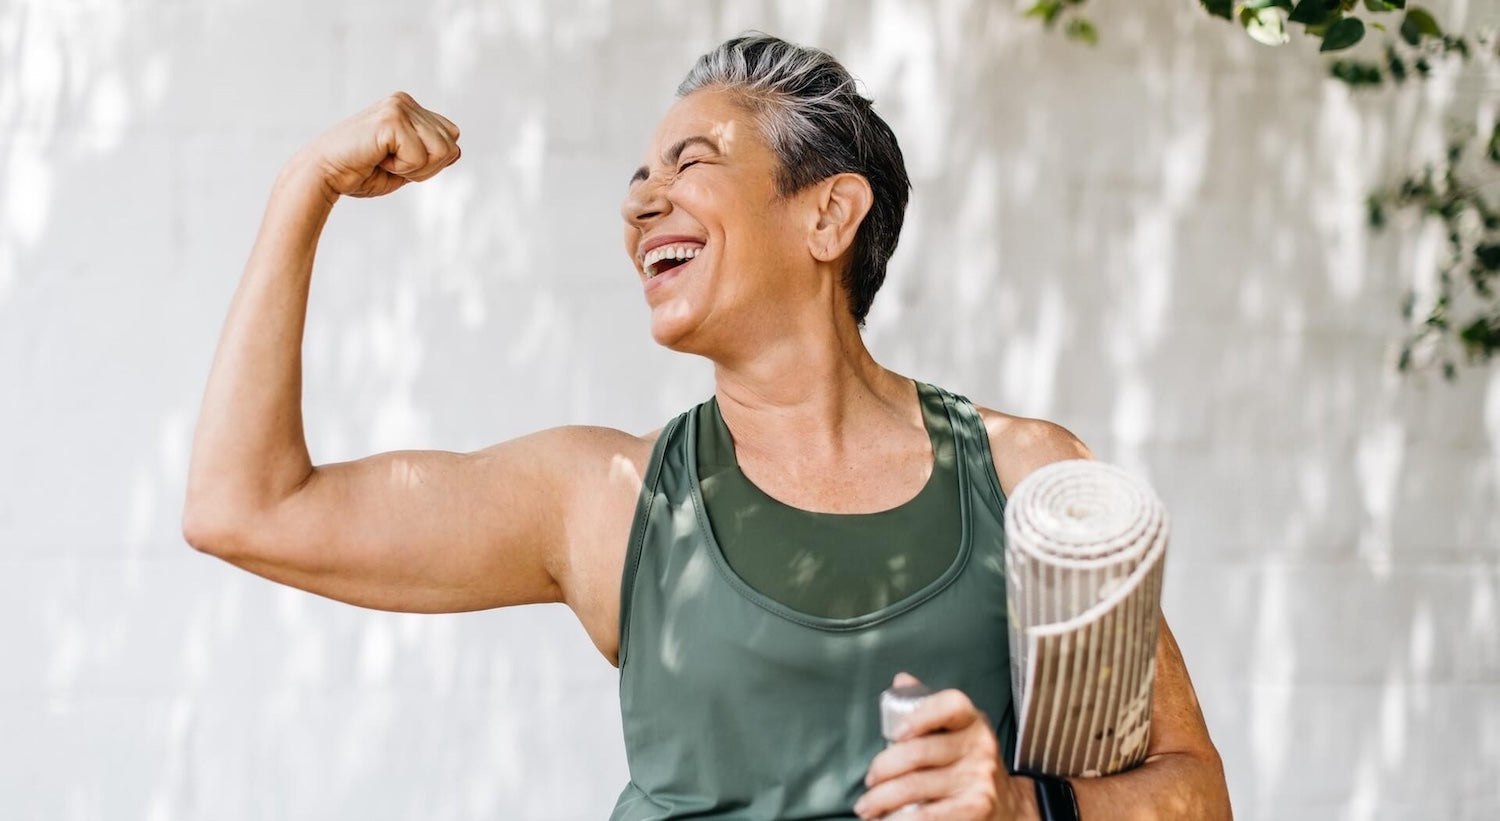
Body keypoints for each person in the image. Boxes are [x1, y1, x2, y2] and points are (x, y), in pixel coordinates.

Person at [184, 33, 1232, 821]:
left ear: (828, 216)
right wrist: (302, 188)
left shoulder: (1029, 477)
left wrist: (1027, 804)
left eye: (689, 163)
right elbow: (245, 506)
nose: (642, 202)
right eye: (638, 179)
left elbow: (1192, 790)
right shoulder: (605, 499)